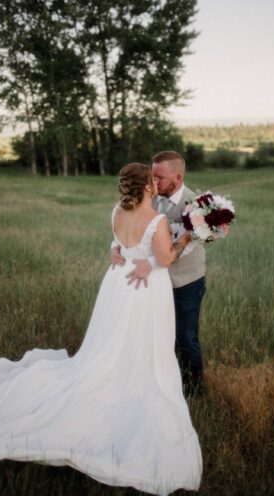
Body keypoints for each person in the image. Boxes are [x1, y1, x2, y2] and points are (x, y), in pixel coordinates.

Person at [0, 163, 202, 494]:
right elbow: (164, 258)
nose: (156, 183)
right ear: (148, 187)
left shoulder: (118, 210)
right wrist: (189, 235)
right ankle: (134, 377)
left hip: (119, 283)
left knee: (114, 338)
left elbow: (117, 239)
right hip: (145, 289)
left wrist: (115, 250)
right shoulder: (158, 220)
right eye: (153, 180)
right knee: (143, 339)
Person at [114, 151, 206, 396]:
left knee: (186, 337)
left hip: (185, 281)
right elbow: (129, 227)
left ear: (177, 177)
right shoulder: (147, 196)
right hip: (153, 284)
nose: (154, 182)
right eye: (152, 177)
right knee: (156, 334)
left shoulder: (195, 204)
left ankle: (194, 388)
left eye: (160, 178)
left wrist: (151, 262)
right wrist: (115, 247)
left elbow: (187, 248)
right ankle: (162, 382)